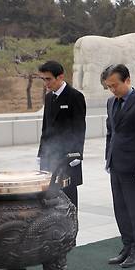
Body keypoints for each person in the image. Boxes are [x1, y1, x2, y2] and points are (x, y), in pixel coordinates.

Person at [103, 64, 135, 268]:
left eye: (115, 85)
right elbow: (110, 132)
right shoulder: (111, 102)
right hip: (116, 164)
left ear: (127, 80)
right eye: (109, 86)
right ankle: (127, 245)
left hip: (134, 166)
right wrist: (108, 158)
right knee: (120, 209)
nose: (112, 89)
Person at [37, 60, 86, 208]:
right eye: (43, 79)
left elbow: (79, 127)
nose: (46, 83)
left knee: (68, 198)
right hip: (50, 155)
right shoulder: (49, 97)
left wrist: (77, 154)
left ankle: (71, 229)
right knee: (49, 197)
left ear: (60, 77)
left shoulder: (75, 96)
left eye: (49, 79)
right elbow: (45, 128)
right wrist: (41, 153)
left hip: (68, 156)